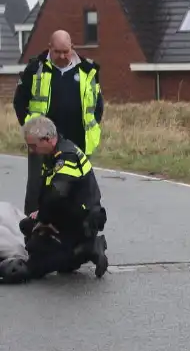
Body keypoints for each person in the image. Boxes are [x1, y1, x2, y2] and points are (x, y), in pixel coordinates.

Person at [0, 116, 109, 285]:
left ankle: (89, 247)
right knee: (28, 232)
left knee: (33, 267)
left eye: (33, 145)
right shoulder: (52, 154)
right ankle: (73, 251)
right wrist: (40, 217)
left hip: (80, 219)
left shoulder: (66, 157)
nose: (31, 150)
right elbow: (47, 193)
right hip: (66, 214)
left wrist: (45, 220)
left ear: (48, 139)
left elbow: (57, 196)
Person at [12, 30, 104, 216]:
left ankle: (75, 229)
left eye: (65, 51)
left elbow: (97, 105)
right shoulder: (35, 69)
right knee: (38, 186)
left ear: (72, 48)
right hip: (42, 142)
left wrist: (92, 126)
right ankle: (34, 228)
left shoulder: (88, 71)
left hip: (77, 141)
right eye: (57, 52)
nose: (62, 56)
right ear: (49, 48)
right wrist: (32, 130)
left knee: (76, 188)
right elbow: (19, 102)